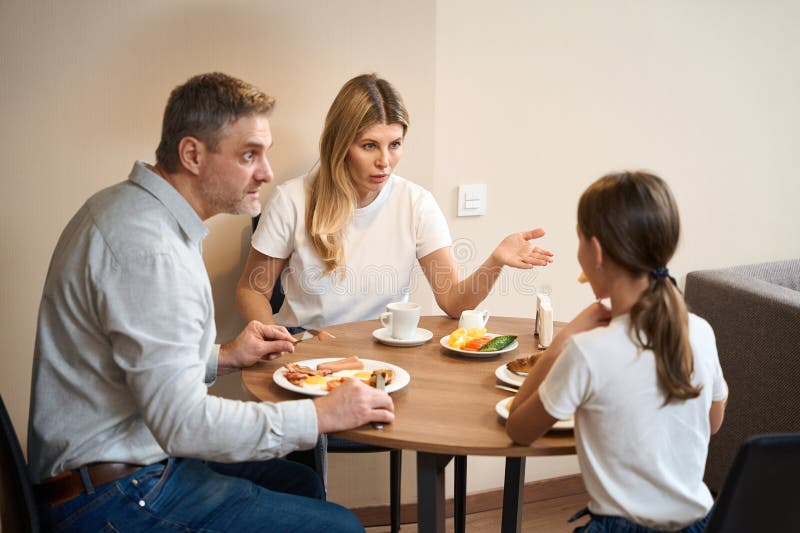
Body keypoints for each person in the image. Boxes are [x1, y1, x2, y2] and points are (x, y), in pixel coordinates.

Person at [27, 72, 393, 532]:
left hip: (119, 464)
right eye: (248, 155)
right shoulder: (151, 250)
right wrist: (319, 414)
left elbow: (139, 360)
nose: (266, 172)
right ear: (192, 154)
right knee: (339, 527)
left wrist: (223, 358)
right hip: (111, 496)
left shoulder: (128, 210)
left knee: (297, 481)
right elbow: (183, 423)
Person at [236, 73, 554, 331]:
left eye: (395, 144)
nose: (385, 161)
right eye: (370, 145)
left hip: (384, 358)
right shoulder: (291, 201)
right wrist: (282, 347)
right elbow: (252, 291)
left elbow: (454, 302)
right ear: (341, 145)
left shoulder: (416, 204)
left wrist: (495, 261)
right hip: (307, 355)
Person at [506, 171, 729, 532]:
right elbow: (713, 423)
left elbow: (519, 428)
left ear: (595, 251)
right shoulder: (701, 331)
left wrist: (562, 341)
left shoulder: (587, 351)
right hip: (702, 524)